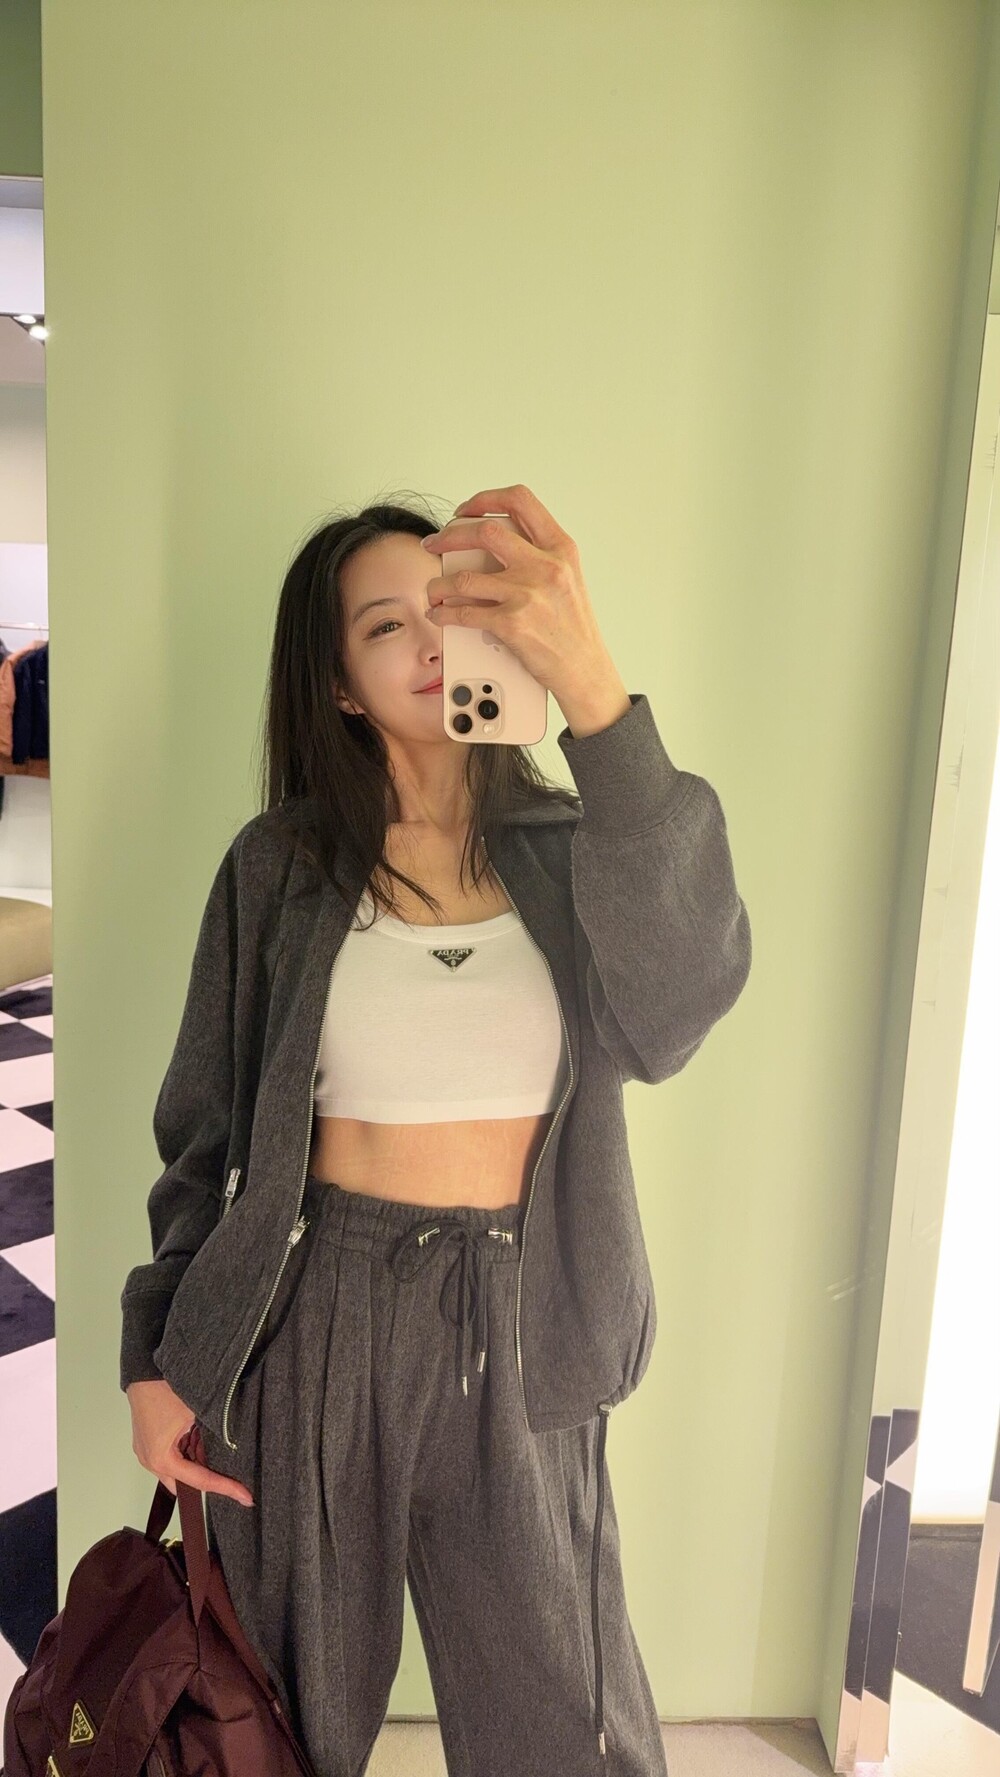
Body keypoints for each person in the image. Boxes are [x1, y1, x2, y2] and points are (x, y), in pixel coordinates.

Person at [123, 483, 752, 1777]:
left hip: (525, 1320)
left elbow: (680, 1007)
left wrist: (598, 700)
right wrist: (155, 1355)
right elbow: (200, 1132)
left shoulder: (579, 849)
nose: (428, 640)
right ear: (340, 686)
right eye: (383, 625)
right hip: (310, 1319)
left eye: (449, 608)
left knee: (568, 1730)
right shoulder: (279, 867)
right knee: (269, 1728)